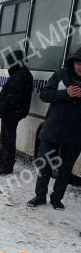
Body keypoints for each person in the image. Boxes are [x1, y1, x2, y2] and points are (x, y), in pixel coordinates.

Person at [28, 47, 81, 210]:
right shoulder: (61, 75)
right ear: (73, 62)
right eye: (79, 63)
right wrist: (66, 94)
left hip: (76, 133)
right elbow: (44, 94)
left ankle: (57, 198)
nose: (80, 67)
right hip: (53, 129)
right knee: (45, 165)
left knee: (65, 169)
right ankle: (40, 196)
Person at [0, 50, 34, 175]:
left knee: (8, 139)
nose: (8, 64)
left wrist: (2, 108)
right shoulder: (19, 73)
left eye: (10, 61)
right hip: (11, 111)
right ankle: (3, 162)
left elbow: (13, 97)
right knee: (5, 138)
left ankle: (7, 166)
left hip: (13, 112)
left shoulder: (21, 75)